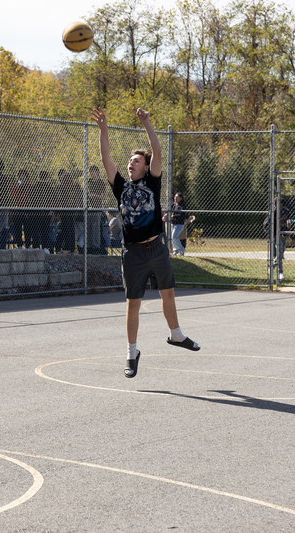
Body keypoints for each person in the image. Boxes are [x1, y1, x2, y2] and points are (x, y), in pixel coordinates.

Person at [91, 106, 200, 379]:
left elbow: (158, 152)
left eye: (137, 160)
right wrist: (104, 130)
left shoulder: (152, 183)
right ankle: (131, 353)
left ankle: (176, 334)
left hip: (157, 247)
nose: (131, 163)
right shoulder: (121, 187)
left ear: (146, 166)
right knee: (133, 303)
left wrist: (147, 123)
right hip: (134, 253)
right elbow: (106, 158)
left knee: (168, 293)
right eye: (130, 160)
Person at [87, 164, 107, 254]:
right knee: (89, 228)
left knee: (96, 228)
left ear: (97, 172)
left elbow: (105, 197)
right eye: (91, 171)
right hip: (89, 208)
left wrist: (94, 195)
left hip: (97, 207)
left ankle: (96, 247)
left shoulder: (101, 182)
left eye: (93, 171)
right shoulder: (89, 181)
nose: (92, 173)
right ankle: (89, 246)